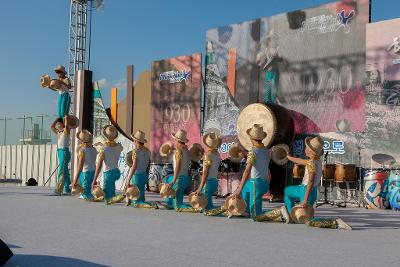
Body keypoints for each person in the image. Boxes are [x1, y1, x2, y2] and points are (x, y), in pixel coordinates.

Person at [254, 136, 351, 230]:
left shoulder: (311, 164)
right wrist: (288, 157)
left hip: (305, 191)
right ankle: (290, 213)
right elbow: (300, 161)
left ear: (310, 151)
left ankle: (334, 222)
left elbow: (311, 181)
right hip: (312, 193)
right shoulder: (316, 161)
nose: (305, 149)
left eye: (306, 148)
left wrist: (304, 200)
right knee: (292, 197)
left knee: (307, 217)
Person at [232, 124, 270, 220]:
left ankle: (279, 213)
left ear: (252, 138)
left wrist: (239, 188)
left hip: (255, 184)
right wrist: (245, 155)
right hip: (264, 183)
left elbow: (247, 171)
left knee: (256, 217)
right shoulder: (266, 150)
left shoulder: (253, 152)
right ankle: (246, 210)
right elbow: (259, 162)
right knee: (246, 188)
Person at [161, 129, 199, 212]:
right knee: (167, 179)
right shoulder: (186, 151)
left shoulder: (178, 152)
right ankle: (170, 202)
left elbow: (177, 167)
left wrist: (173, 181)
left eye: (175, 140)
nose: (174, 142)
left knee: (178, 207)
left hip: (179, 180)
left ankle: (196, 208)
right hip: (185, 178)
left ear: (177, 140)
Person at [125, 130, 157, 209]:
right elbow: (148, 165)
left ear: (136, 141)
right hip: (144, 175)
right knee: (141, 196)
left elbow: (134, 166)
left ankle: (151, 206)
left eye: (134, 140)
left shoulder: (135, 152)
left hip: (137, 176)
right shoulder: (147, 152)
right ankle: (149, 204)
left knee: (137, 202)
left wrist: (128, 179)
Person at [92, 125, 124, 205]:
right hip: (116, 171)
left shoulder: (104, 149)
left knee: (108, 200)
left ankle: (120, 197)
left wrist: (95, 179)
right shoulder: (119, 147)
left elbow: (99, 166)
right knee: (110, 192)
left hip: (108, 173)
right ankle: (115, 197)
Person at [194, 132, 223, 216]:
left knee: (207, 210)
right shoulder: (217, 154)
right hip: (214, 182)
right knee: (208, 206)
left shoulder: (208, 155)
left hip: (208, 183)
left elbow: (205, 173)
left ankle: (224, 209)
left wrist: (200, 187)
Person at [50, 115, 78, 195]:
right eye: (57, 124)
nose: (57, 125)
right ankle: (69, 189)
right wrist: (57, 119)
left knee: (61, 170)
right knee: (65, 172)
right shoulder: (58, 132)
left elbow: (66, 126)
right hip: (59, 151)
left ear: (62, 124)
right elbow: (51, 126)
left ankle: (59, 189)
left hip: (65, 152)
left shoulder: (66, 131)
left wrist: (65, 119)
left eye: (59, 124)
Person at [71, 130, 97, 201]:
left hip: (85, 172)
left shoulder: (82, 150)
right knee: (87, 191)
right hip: (93, 171)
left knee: (86, 194)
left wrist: (75, 181)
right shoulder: (94, 149)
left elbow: (80, 166)